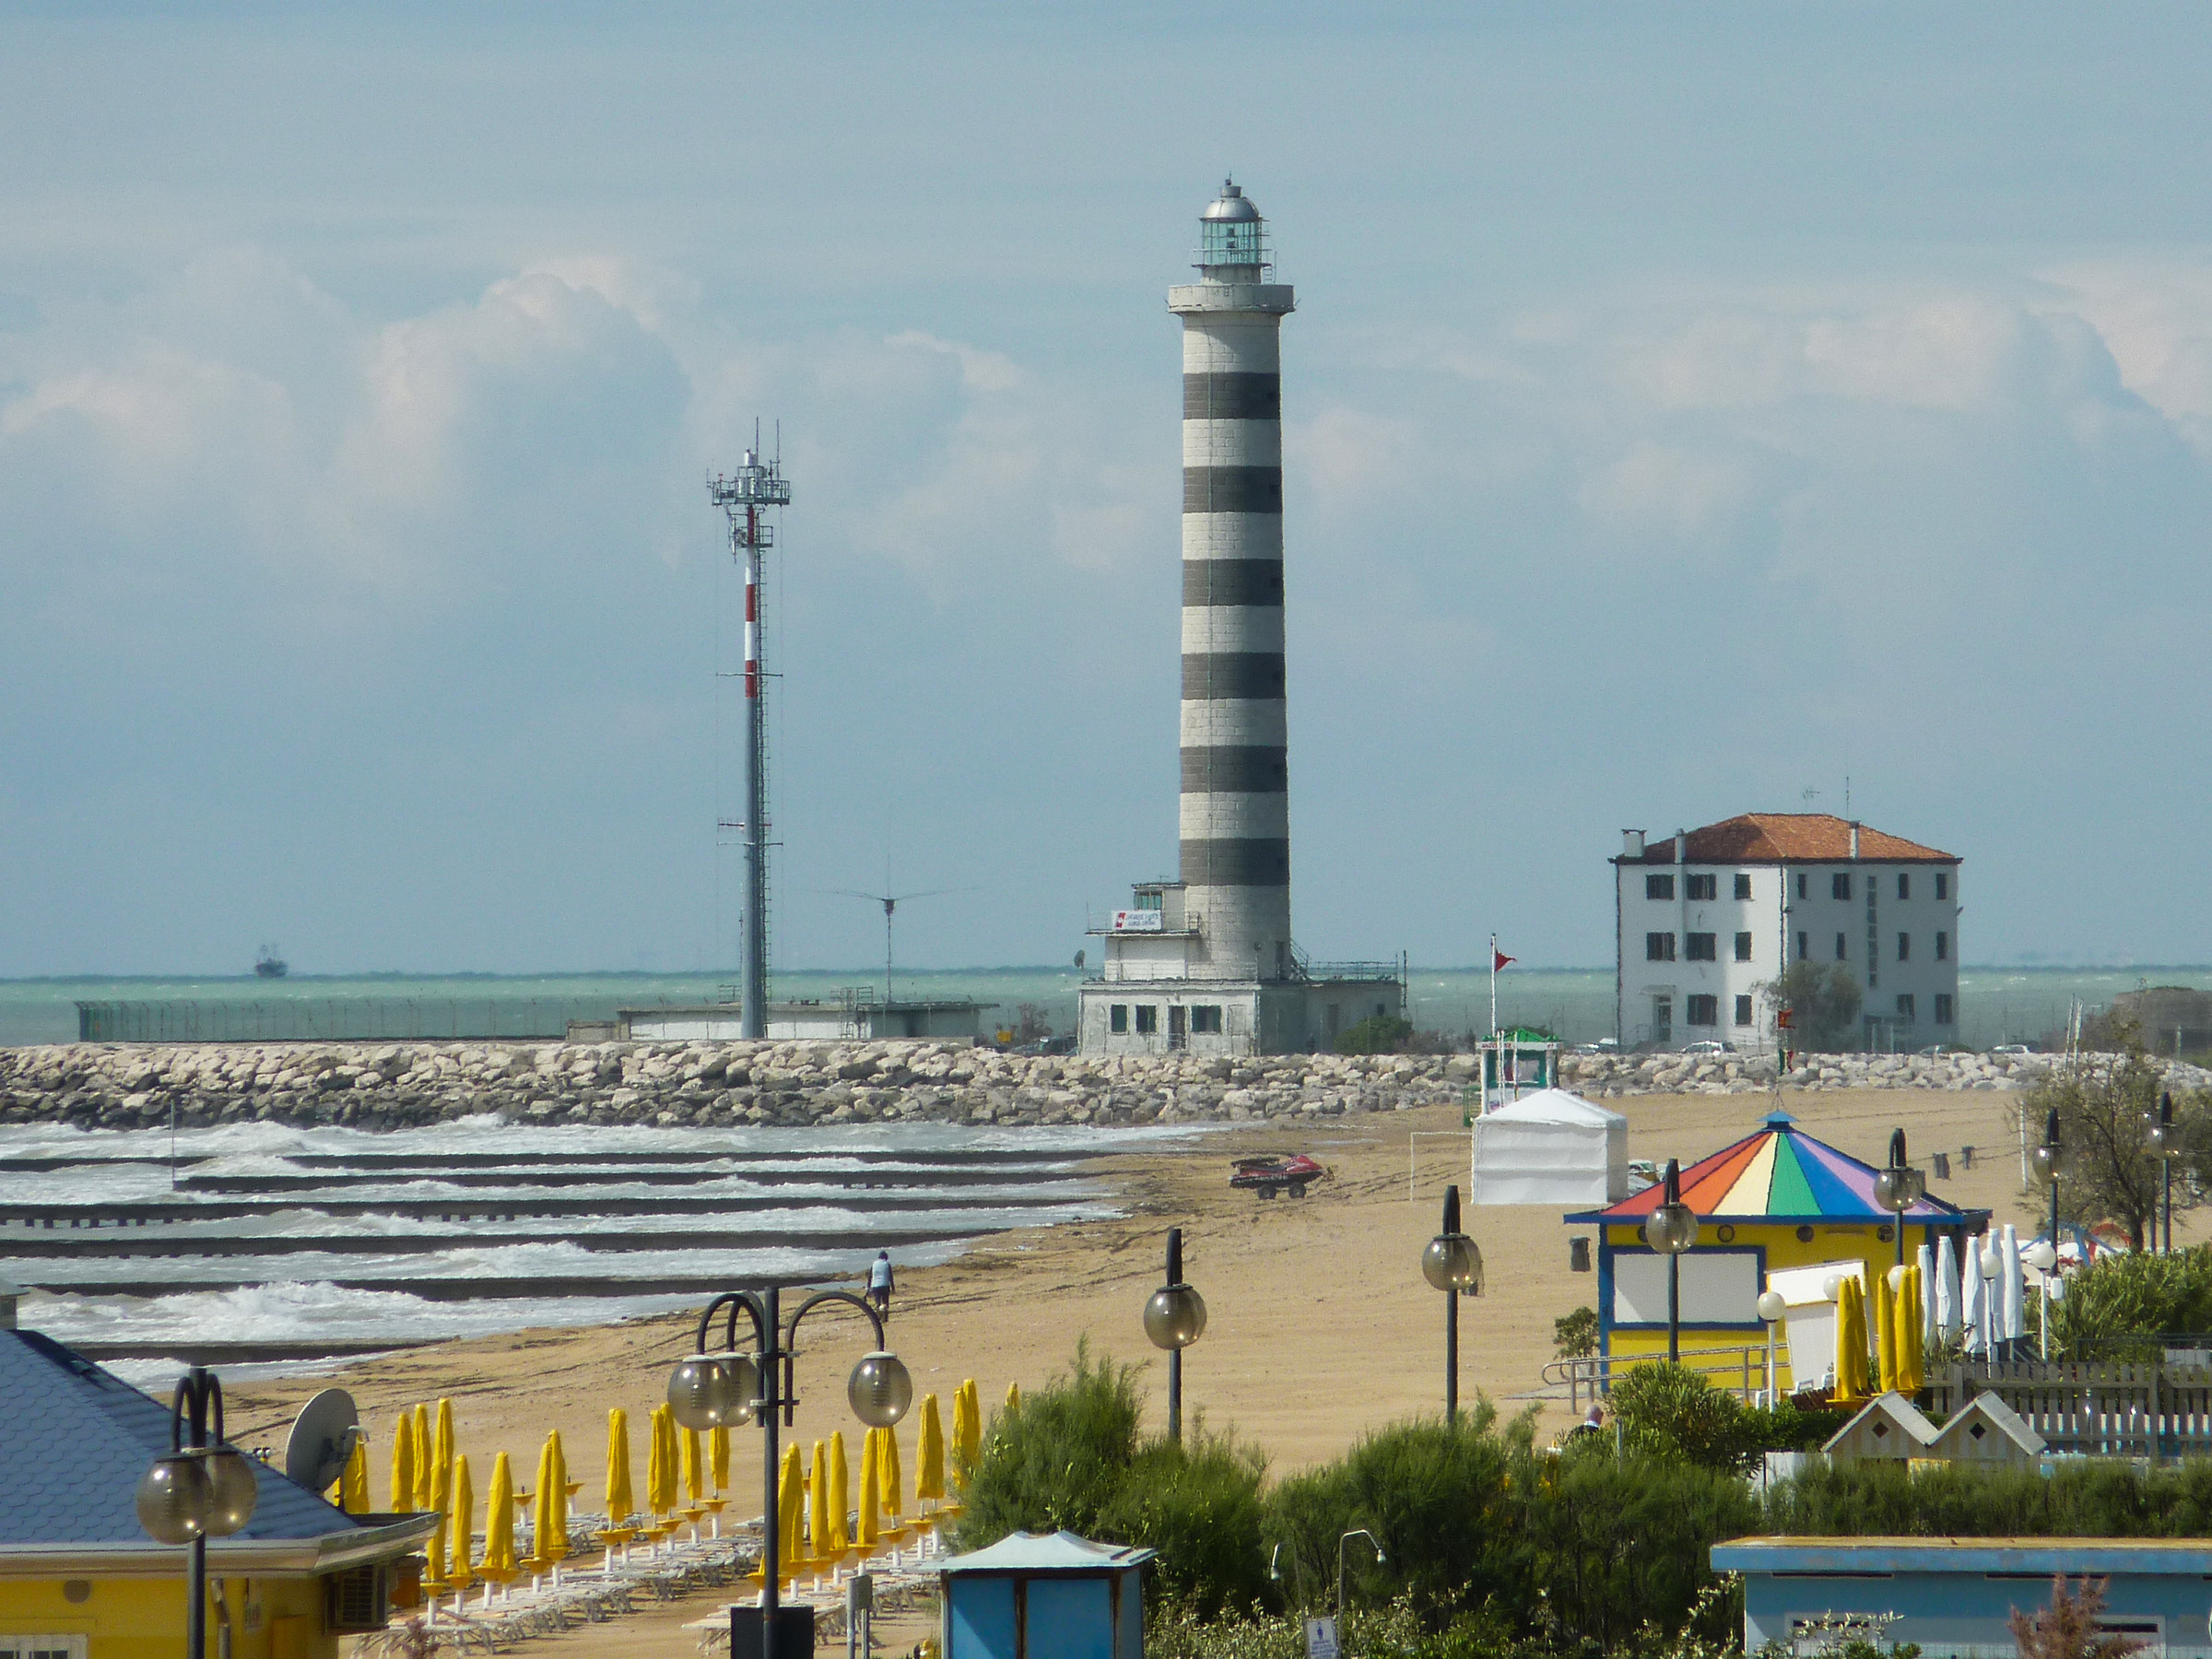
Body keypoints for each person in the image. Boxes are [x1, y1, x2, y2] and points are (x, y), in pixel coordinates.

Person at [868, 1250, 895, 1318]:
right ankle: (885, 1315)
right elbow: (890, 1277)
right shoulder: (887, 1264)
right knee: (885, 1301)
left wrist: (868, 1287)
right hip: (885, 1285)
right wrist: (893, 1287)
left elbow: (870, 1276)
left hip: (875, 1286)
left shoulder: (874, 1264)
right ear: (886, 1257)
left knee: (878, 1302)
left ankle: (878, 1315)